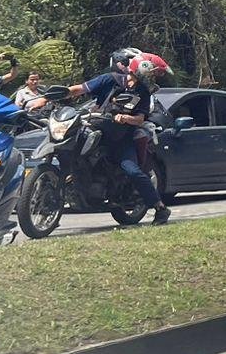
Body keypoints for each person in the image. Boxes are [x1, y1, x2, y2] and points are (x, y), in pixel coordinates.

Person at [63, 51, 172, 225]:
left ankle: (160, 208)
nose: (155, 78)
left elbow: (140, 119)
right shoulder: (110, 79)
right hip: (95, 129)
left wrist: (125, 118)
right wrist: (48, 97)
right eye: (154, 73)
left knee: (133, 171)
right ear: (143, 69)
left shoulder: (143, 92)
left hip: (121, 139)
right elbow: (80, 89)